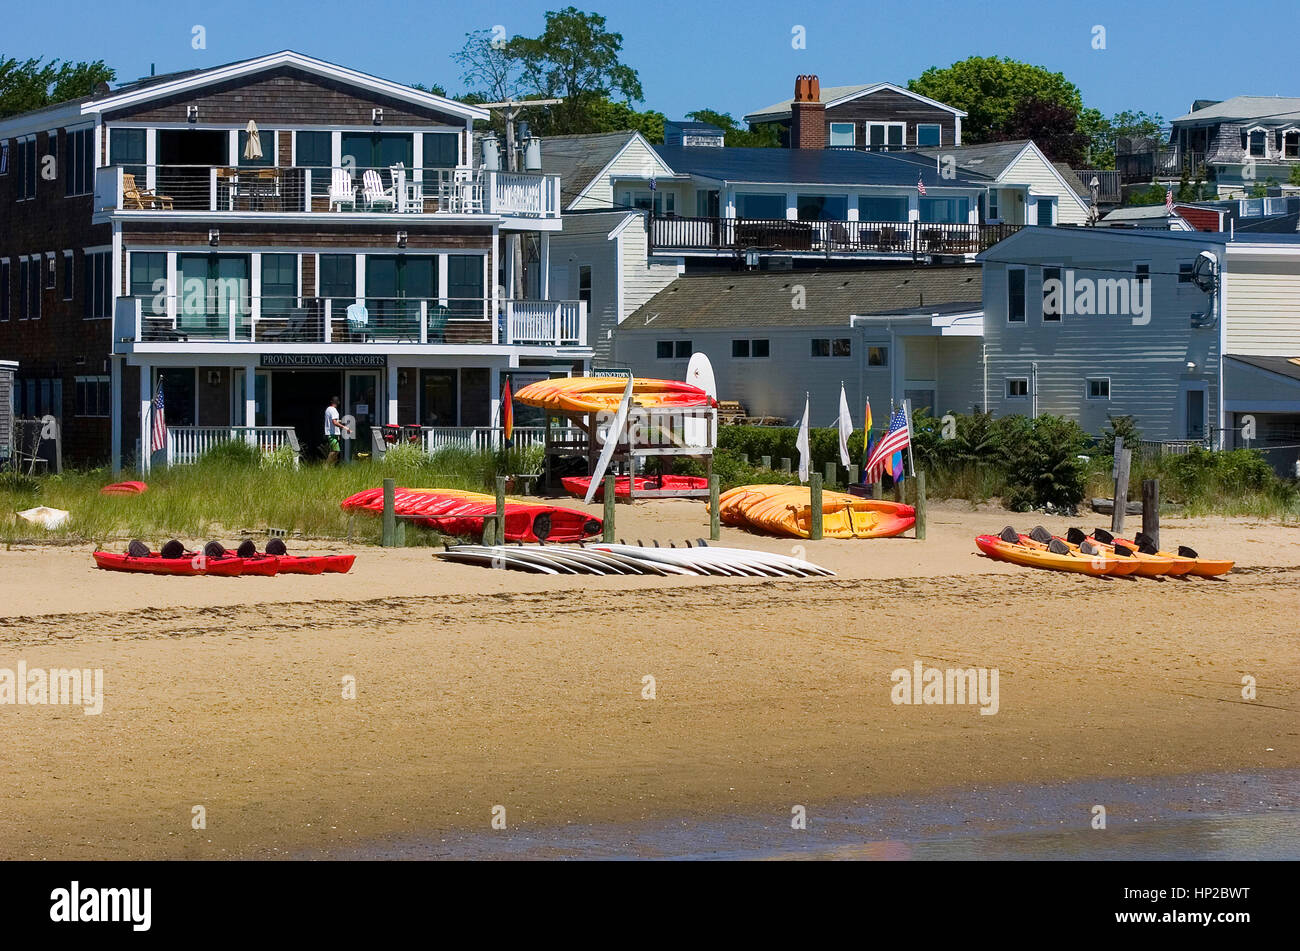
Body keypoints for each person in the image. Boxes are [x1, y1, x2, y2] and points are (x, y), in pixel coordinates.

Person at [324, 396, 351, 465]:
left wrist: (341, 421)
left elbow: (333, 420)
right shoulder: (334, 410)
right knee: (335, 451)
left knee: (336, 451)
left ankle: (332, 467)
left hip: (330, 433)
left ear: (331, 402)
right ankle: (326, 467)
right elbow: (334, 422)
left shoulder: (328, 409)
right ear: (338, 402)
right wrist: (345, 427)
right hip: (332, 433)